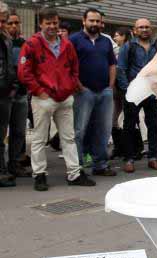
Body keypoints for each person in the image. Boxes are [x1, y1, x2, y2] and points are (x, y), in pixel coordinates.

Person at [18, 7, 95, 191]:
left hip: (64, 97)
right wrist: (38, 90)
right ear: (41, 24)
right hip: (43, 98)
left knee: (68, 138)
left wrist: (70, 87)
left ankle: (74, 173)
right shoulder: (31, 44)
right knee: (39, 139)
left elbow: (74, 68)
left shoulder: (66, 45)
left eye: (55, 22)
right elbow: (24, 72)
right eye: (48, 23)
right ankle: (39, 175)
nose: (53, 26)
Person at [70, 8, 117, 177]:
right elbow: (68, 65)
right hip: (83, 93)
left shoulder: (105, 41)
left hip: (104, 92)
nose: (95, 24)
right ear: (84, 21)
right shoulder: (74, 40)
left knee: (103, 130)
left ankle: (100, 165)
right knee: (79, 130)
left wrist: (110, 86)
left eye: (97, 21)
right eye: (91, 20)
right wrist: (79, 86)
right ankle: (77, 167)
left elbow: (112, 64)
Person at [117, 18, 157, 173]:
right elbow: (121, 69)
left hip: (152, 93)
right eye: (141, 27)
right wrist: (127, 90)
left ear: (150, 30)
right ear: (135, 30)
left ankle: (153, 158)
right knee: (129, 126)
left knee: (153, 126)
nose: (144, 29)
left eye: (147, 27)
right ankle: (129, 159)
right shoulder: (128, 47)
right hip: (134, 93)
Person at [3, 10, 30, 178]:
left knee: (19, 131)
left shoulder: (25, 43)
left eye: (16, 23)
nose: (13, 26)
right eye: (10, 23)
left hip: (21, 93)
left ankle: (15, 163)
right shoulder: (2, 42)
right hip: (4, 94)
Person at [0, 1, 17, 187]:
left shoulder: (6, 38)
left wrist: (11, 85)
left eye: (3, 21)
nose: (2, 24)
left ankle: (2, 170)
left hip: (4, 92)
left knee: (1, 135)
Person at [110, 27, 131, 160]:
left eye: (117, 35)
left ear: (124, 36)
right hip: (117, 90)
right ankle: (119, 147)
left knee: (128, 119)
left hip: (125, 89)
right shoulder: (116, 51)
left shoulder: (129, 49)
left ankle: (130, 148)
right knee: (115, 119)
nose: (115, 38)